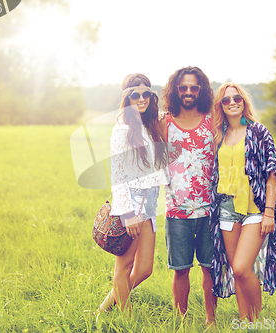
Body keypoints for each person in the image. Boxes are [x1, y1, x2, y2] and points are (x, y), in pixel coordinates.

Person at [209, 83, 276, 321]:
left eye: (237, 98)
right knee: (237, 272)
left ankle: (257, 320)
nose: (232, 102)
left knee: (241, 267)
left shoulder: (258, 132)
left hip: (255, 209)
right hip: (227, 209)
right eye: (226, 100)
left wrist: (269, 212)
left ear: (244, 102)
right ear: (220, 106)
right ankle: (245, 322)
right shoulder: (219, 135)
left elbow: (272, 174)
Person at [99, 73, 168, 314]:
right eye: (135, 94)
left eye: (146, 94)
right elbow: (117, 175)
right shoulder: (122, 129)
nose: (141, 98)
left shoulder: (150, 126)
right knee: (125, 266)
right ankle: (126, 318)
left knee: (145, 269)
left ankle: (104, 308)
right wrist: (127, 212)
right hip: (132, 203)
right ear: (127, 97)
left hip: (149, 204)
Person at [160, 66, 217, 325]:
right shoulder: (164, 123)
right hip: (176, 209)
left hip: (210, 209)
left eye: (194, 87)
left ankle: (211, 321)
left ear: (201, 90)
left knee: (209, 268)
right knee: (180, 270)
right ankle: (181, 323)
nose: (189, 92)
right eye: (183, 87)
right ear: (175, 90)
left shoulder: (212, 119)